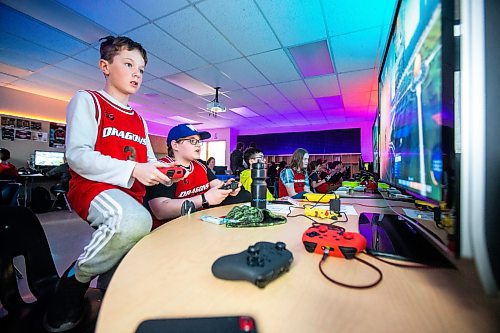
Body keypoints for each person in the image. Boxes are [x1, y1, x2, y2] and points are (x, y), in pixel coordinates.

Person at [44, 36, 176, 332]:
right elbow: (77, 156)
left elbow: (149, 160)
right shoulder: (88, 100)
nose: (136, 74)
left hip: (130, 194)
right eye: (128, 65)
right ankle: (74, 281)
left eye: (141, 70)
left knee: (135, 257)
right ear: (105, 66)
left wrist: (169, 168)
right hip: (93, 189)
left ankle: (109, 292)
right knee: (134, 221)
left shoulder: (139, 120)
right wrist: (133, 168)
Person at [144, 124, 251, 228]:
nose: (198, 144)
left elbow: (216, 184)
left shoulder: (200, 164)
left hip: (201, 219)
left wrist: (228, 187)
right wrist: (204, 199)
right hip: (174, 227)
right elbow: (160, 210)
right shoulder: (163, 167)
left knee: (243, 194)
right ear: (175, 145)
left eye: (199, 141)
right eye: (192, 141)